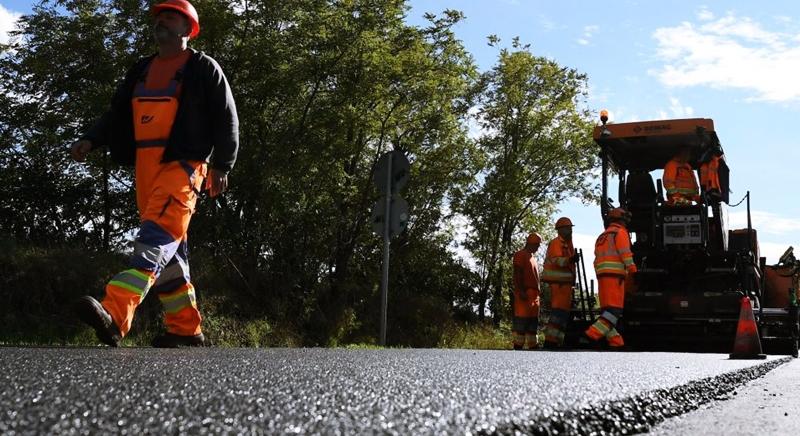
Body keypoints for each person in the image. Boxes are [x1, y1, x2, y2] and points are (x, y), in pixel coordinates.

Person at [70, 0, 239, 347]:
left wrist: (222, 165)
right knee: (171, 255)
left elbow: (227, 118)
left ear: (187, 29)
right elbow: (117, 114)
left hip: (184, 168)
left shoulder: (203, 68)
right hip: (145, 169)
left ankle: (115, 312)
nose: (161, 21)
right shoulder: (141, 70)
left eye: (171, 17)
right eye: (159, 16)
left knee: (154, 240)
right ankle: (185, 328)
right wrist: (91, 138)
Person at [584, 208, 636, 349]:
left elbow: (596, 259)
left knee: (607, 312)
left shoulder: (602, 236)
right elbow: (625, 254)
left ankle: (616, 342)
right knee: (613, 312)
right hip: (615, 278)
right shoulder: (620, 233)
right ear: (622, 220)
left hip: (603, 278)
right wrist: (634, 271)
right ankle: (591, 334)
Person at [541, 217, 579, 348]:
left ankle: (557, 340)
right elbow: (557, 260)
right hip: (558, 284)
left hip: (565, 285)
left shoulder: (567, 245)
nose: (570, 230)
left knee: (563, 313)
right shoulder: (556, 243)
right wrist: (571, 259)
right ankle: (550, 341)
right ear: (560, 229)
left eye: (570, 227)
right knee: (558, 312)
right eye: (568, 227)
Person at [511, 233, 543, 350]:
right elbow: (517, 274)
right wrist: (520, 291)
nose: (538, 247)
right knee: (522, 323)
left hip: (534, 296)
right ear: (532, 244)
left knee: (532, 324)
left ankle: (533, 346)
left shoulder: (532, 257)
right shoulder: (520, 255)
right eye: (537, 245)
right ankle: (518, 347)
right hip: (525, 294)